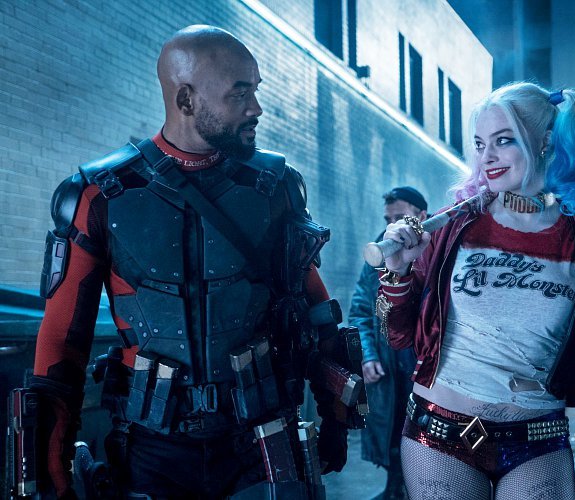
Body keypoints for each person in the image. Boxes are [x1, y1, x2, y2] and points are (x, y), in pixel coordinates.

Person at [29, 25, 348, 499]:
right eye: (240, 93)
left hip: (262, 441)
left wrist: (336, 416)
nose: (256, 108)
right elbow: (62, 338)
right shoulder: (98, 194)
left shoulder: (276, 186)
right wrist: (50, 467)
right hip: (149, 448)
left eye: (255, 90)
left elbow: (317, 309)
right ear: (186, 99)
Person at [375, 82, 575, 500]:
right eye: (479, 144)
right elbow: (399, 336)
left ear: (546, 141)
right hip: (439, 435)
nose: (486, 157)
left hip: (538, 439)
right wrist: (398, 272)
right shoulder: (452, 226)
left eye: (503, 140)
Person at [349, 187, 428, 500]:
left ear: (422, 216)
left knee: (424, 434)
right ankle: (396, 489)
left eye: (401, 217)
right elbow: (361, 308)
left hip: (423, 365)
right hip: (388, 366)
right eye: (389, 218)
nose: (393, 225)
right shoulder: (379, 251)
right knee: (392, 431)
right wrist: (367, 355)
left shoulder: (436, 249)